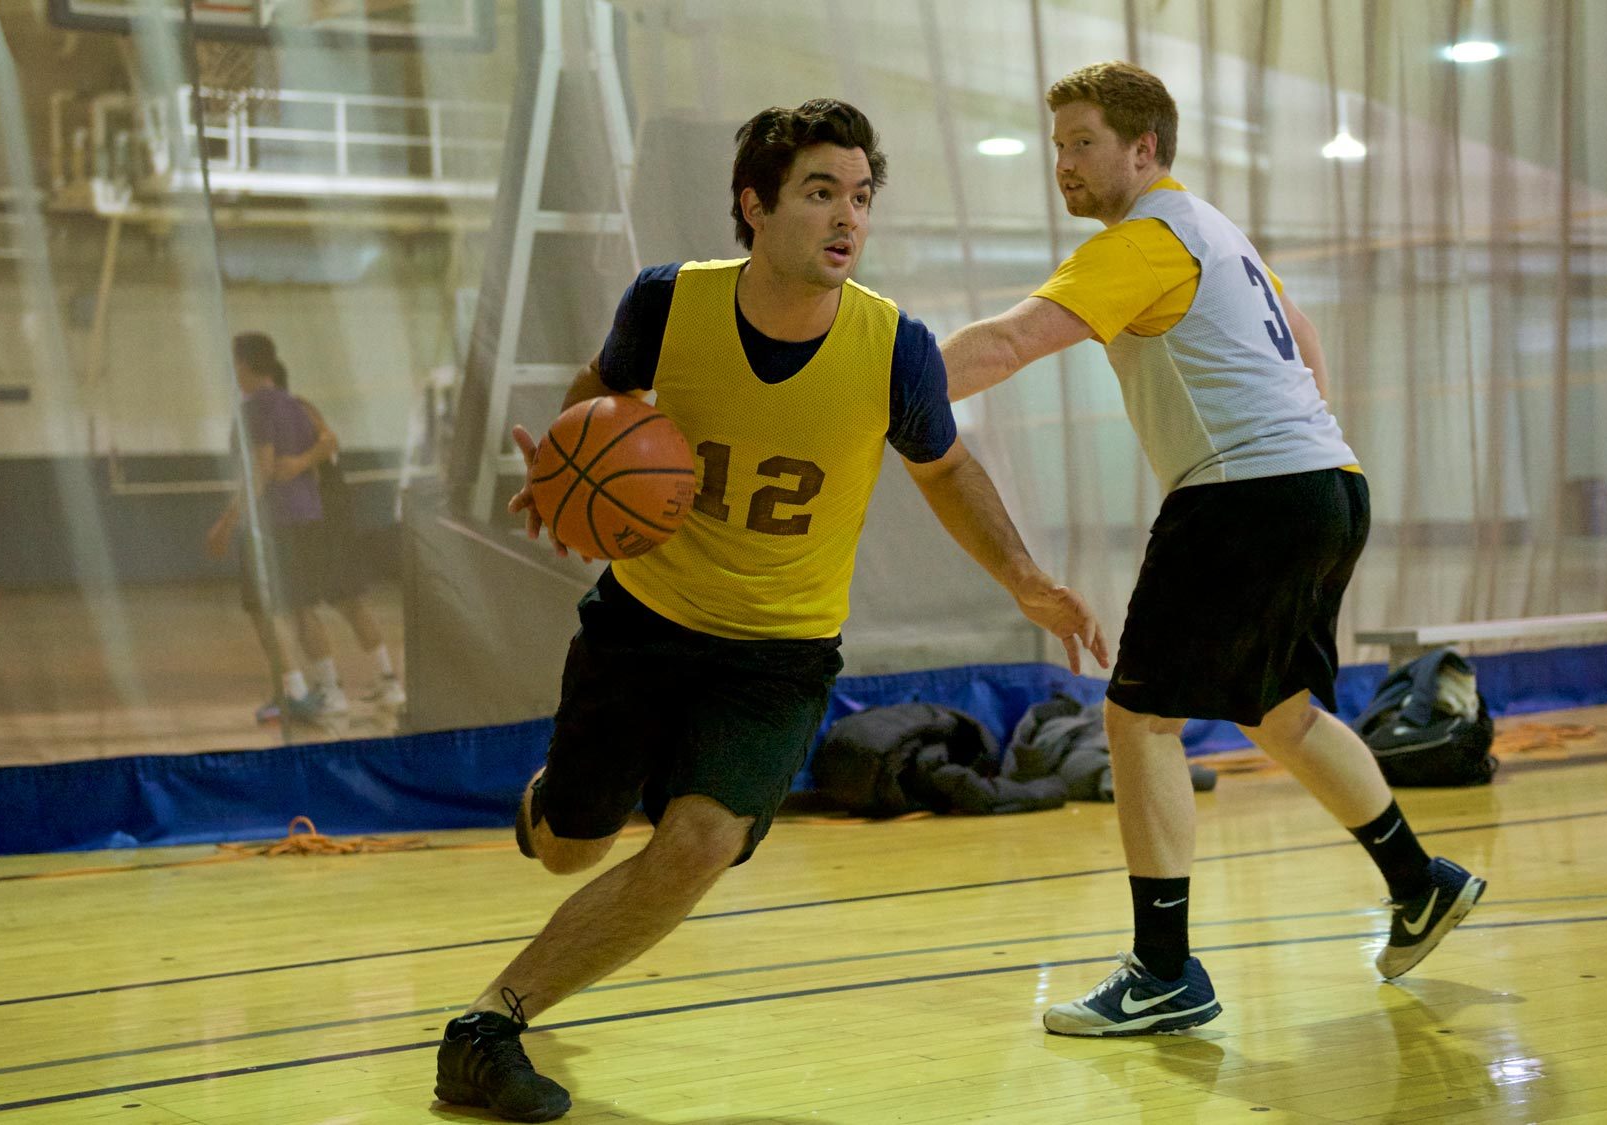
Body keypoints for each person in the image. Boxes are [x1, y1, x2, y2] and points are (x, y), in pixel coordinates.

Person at [433, 98, 1108, 1121]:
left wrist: (1019, 575)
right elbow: (601, 387)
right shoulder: (668, 303)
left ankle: (489, 1024)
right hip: (642, 623)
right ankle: (553, 807)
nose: (847, 217)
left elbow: (945, 470)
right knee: (575, 841)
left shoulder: (895, 348)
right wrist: (569, 464)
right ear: (754, 205)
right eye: (819, 192)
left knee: (700, 842)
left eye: (860, 197)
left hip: (779, 652)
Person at [939, 61, 1486, 1037]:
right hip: (1326, 483)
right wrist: (1299, 435)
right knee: (1274, 710)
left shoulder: (1142, 240)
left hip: (1247, 493)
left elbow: (1003, 347)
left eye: (1082, 142)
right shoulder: (1214, 233)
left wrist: (873, 391)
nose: (1061, 162)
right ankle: (1418, 882)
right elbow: (1302, 339)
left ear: (1141, 148)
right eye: (1055, 143)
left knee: (1138, 719)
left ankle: (1160, 973)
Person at [262, 358, 407, 717]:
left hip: (326, 521)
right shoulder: (279, 418)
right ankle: (384, 682)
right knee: (337, 601)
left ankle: (345, 689)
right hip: (320, 520)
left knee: (319, 603)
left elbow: (328, 440)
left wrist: (296, 465)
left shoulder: (296, 409)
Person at [204, 334, 333, 726]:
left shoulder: (255, 408)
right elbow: (326, 444)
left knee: (264, 608)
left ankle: (293, 692)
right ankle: (330, 688)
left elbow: (261, 467)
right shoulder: (296, 405)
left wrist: (228, 522)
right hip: (308, 516)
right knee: (301, 606)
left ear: (243, 364)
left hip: (273, 523)